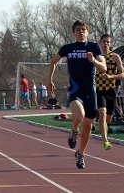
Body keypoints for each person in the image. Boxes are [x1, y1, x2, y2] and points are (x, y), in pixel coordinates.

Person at [47, 20, 106, 169]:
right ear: (74, 33)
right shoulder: (68, 48)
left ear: (87, 32)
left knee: (88, 127)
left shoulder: (93, 47)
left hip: (90, 93)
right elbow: (53, 61)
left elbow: (103, 68)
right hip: (75, 91)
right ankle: (74, 130)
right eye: (78, 29)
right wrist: (49, 80)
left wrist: (93, 61)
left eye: (84, 29)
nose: (81, 31)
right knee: (79, 116)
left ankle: (81, 154)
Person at [95, 34, 124, 150]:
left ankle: (101, 125)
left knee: (108, 119)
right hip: (98, 89)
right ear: (100, 43)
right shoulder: (97, 57)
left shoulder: (115, 57)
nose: (105, 44)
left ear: (110, 44)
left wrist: (111, 77)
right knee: (102, 112)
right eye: (103, 41)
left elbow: (122, 74)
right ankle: (105, 141)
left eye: (108, 42)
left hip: (110, 90)